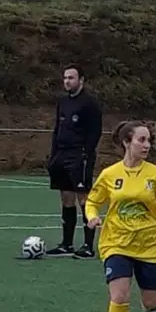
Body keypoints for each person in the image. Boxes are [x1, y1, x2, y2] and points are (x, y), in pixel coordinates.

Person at [85, 120, 156, 312]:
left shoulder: (155, 174)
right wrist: (92, 217)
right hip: (116, 242)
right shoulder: (110, 174)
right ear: (127, 142)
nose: (147, 145)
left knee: (152, 300)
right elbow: (93, 201)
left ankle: (150, 311)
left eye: (149, 140)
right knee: (119, 295)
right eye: (142, 140)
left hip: (149, 244)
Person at [46, 65, 103, 259]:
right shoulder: (62, 102)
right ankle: (66, 244)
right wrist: (53, 155)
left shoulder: (89, 104)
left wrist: (86, 153)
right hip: (61, 155)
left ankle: (88, 246)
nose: (67, 81)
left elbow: (95, 131)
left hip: (80, 156)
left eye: (71, 78)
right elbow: (57, 129)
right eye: (65, 78)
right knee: (66, 198)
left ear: (81, 80)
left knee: (83, 199)